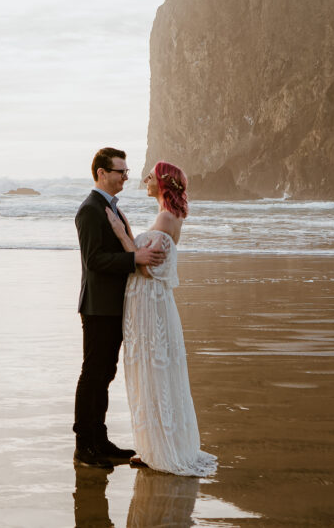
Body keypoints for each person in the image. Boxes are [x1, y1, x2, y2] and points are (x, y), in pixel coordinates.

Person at [104, 161, 218, 476]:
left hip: (149, 305)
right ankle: (156, 444)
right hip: (151, 302)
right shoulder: (169, 217)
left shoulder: (166, 218)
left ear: (164, 183)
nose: (144, 180)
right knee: (155, 371)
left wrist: (120, 232)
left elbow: (145, 266)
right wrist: (128, 229)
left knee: (151, 372)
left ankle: (158, 449)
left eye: (150, 177)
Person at [74, 147, 166, 470]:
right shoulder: (90, 210)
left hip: (113, 307)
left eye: (126, 171)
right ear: (102, 173)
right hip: (98, 307)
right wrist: (134, 259)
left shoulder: (109, 208)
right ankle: (85, 446)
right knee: (94, 376)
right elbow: (94, 261)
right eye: (120, 171)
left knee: (105, 374)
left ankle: (100, 440)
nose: (125, 177)